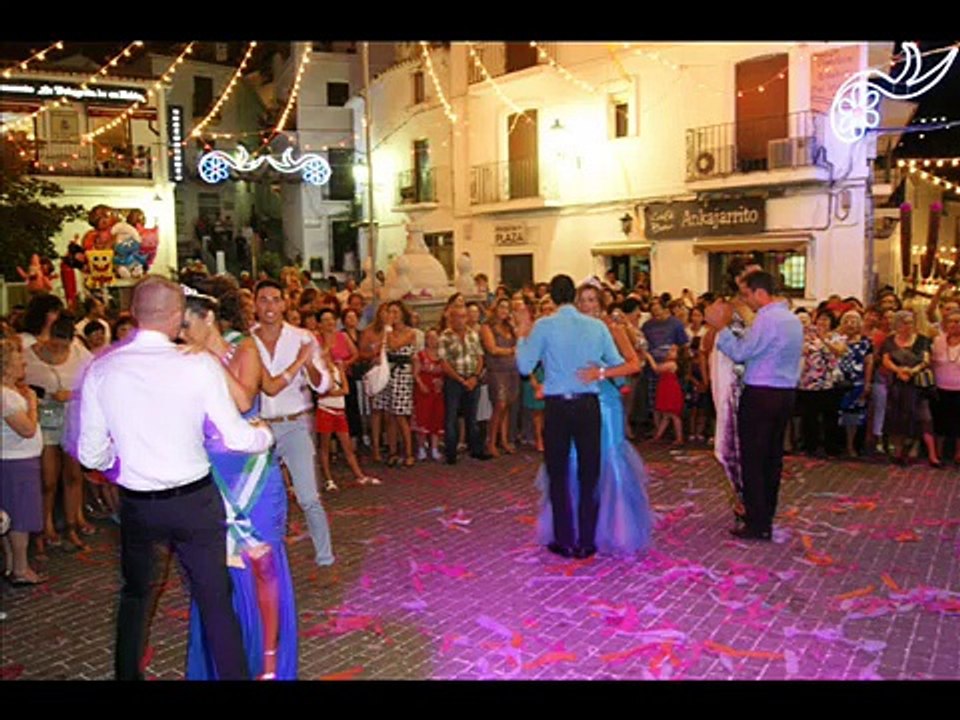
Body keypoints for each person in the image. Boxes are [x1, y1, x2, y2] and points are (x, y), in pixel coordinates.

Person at [75, 275, 274, 680]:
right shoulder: (196, 364)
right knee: (215, 598)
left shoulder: (103, 369)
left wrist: (121, 459)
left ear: (134, 314)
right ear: (176, 315)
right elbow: (237, 437)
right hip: (195, 501)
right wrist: (264, 435)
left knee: (135, 595)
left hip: (139, 502)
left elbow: (89, 454)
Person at [178, 290, 298, 680]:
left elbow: (244, 398)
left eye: (185, 324)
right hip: (211, 473)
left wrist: (205, 360)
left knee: (260, 563)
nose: (180, 333)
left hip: (251, 476)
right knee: (215, 569)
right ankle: (220, 662)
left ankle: (267, 663)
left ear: (208, 317)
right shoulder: (184, 360)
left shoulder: (242, 347)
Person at [515, 275, 632, 560]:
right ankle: (587, 541)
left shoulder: (544, 326)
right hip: (588, 403)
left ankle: (565, 539)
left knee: (558, 473)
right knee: (589, 472)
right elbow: (619, 363)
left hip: (557, 405)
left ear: (553, 297)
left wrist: (522, 332)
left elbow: (523, 365)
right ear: (574, 296)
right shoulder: (595, 327)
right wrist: (599, 373)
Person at [706, 271, 803, 541]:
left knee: (754, 460)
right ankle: (765, 516)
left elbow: (741, 352)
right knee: (772, 458)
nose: (745, 301)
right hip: (785, 393)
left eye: (747, 294)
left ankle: (757, 522)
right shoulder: (793, 319)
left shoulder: (768, 318)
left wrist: (721, 328)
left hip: (761, 393)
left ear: (761, 292)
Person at [250, 279, 336, 566]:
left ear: (285, 303)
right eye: (263, 299)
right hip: (260, 427)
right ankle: (265, 557)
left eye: (275, 299)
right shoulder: (247, 340)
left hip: (295, 424)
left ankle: (325, 557)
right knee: (261, 497)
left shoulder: (302, 337)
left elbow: (323, 384)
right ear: (255, 304)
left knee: (308, 496)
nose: (270, 306)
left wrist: (308, 362)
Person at [24, 314, 94, 553]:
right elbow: (19, 383)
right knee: (48, 478)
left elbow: (94, 382)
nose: (58, 349)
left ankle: (72, 523)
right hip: (46, 420)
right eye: (54, 344)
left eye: (63, 346)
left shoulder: (79, 353)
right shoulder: (29, 355)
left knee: (74, 475)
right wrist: (42, 396)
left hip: (72, 419)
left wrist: (72, 395)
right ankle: (46, 525)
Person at [1, 338, 45, 586]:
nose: (23, 364)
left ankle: (11, 564)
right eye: (18, 360)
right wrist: (32, 405)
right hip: (16, 462)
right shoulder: (7, 397)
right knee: (20, 518)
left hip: (12, 461)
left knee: (9, 516)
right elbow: (26, 429)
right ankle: (20, 568)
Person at [881, 310, 940, 467]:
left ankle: (931, 455)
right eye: (904, 322)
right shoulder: (889, 341)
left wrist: (912, 371)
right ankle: (899, 453)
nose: (908, 326)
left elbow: (926, 360)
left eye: (910, 322)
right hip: (898, 386)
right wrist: (898, 371)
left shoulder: (922, 340)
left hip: (918, 386)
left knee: (924, 418)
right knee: (898, 419)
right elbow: (885, 360)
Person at [439, 305, 489, 464]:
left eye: (463, 316)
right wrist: (461, 379)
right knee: (451, 417)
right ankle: (451, 453)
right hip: (454, 381)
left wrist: (475, 377)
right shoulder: (445, 337)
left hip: (473, 379)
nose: (460, 320)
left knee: (472, 417)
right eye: (456, 316)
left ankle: (476, 449)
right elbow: (444, 363)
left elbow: (480, 357)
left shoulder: (473, 334)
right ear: (451, 318)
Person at [480, 298, 519, 457]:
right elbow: (492, 349)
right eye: (502, 307)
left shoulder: (509, 326)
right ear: (496, 308)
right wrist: (512, 350)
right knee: (499, 404)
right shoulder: (487, 327)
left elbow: (521, 340)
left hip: (511, 369)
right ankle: (491, 442)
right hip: (497, 370)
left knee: (508, 404)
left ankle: (503, 440)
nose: (504, 310)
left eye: (507, 308)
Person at [837, 310, 873, 458]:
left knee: (854, 416)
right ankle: (838, 445)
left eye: (854, 321)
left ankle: (851, 446)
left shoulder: (866, 342)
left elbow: (869, 363)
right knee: (838, 414)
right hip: (838, 383)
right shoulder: (837, 340)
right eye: (847, 321)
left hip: (857, 382)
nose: (850, 324)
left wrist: (867, 382)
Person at [931, 309, 960, 465]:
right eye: (952, 321)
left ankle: (958, 454)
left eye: (958, 321)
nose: (955, 324)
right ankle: (939, 452)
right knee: (940, 422)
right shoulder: (938, 341)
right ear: (945, 324)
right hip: (940, 387)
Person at [412, 328, 446, 461]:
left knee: (436, 419)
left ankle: (434, 448)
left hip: (438, 392)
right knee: (423, 419)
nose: (432, 341)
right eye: (429, 338)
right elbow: (415, 374)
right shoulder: (419, 355)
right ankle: (421, 448)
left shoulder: (442, 355)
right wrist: (421, 385)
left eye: (435, 337)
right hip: (424, 392)